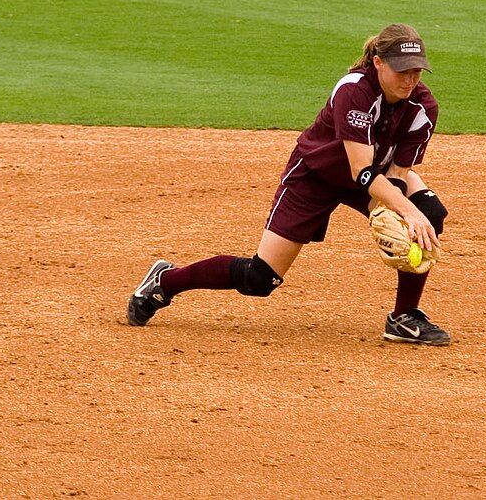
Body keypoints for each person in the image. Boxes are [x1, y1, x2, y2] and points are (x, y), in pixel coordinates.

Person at [127, 23, 451, 345]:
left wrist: (404, 213)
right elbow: (361, 171)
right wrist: (403, 209)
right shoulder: (354, 91)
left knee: (428, 213)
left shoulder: (423, 107)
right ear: (379, 63)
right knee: (260, 278)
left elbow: (396, 173)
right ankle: (165, 281)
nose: (409, 79)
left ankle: (404, 317)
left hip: (372, 177)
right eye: (401, 71)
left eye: (416, 71)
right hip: (316, 176)